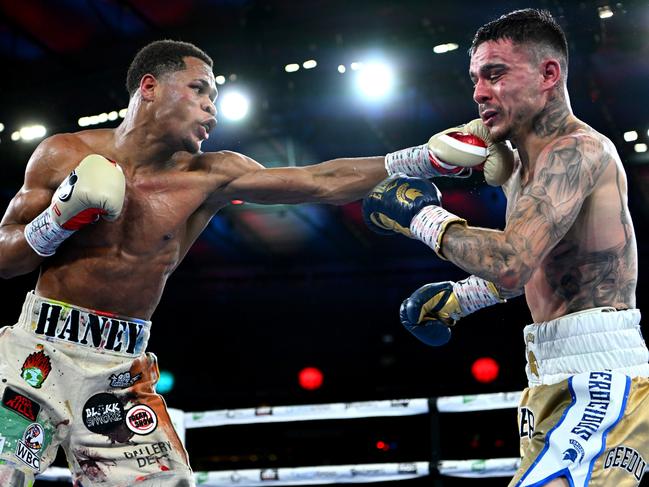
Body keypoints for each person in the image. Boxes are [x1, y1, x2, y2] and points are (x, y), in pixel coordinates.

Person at [0, 38, 414, 487]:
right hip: (35, 356)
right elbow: (5, 259)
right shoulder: (63, 154)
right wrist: (59, 219)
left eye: (213, 99)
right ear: (150, 87)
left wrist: (422, 158)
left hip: (118, 373)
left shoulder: (210, 176)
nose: (211, 110)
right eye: (198, 90)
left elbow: (320, 181)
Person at [362, 9, 649, 487]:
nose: (478, 92)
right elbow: (542, 267)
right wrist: (463, 298)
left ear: (548, 74)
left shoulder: (576, 151)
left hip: (599, 376)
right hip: (550, 373)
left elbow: (512, 262)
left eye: (495, 74)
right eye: (475, 78)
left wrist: (420, 217)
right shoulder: (518, 167)